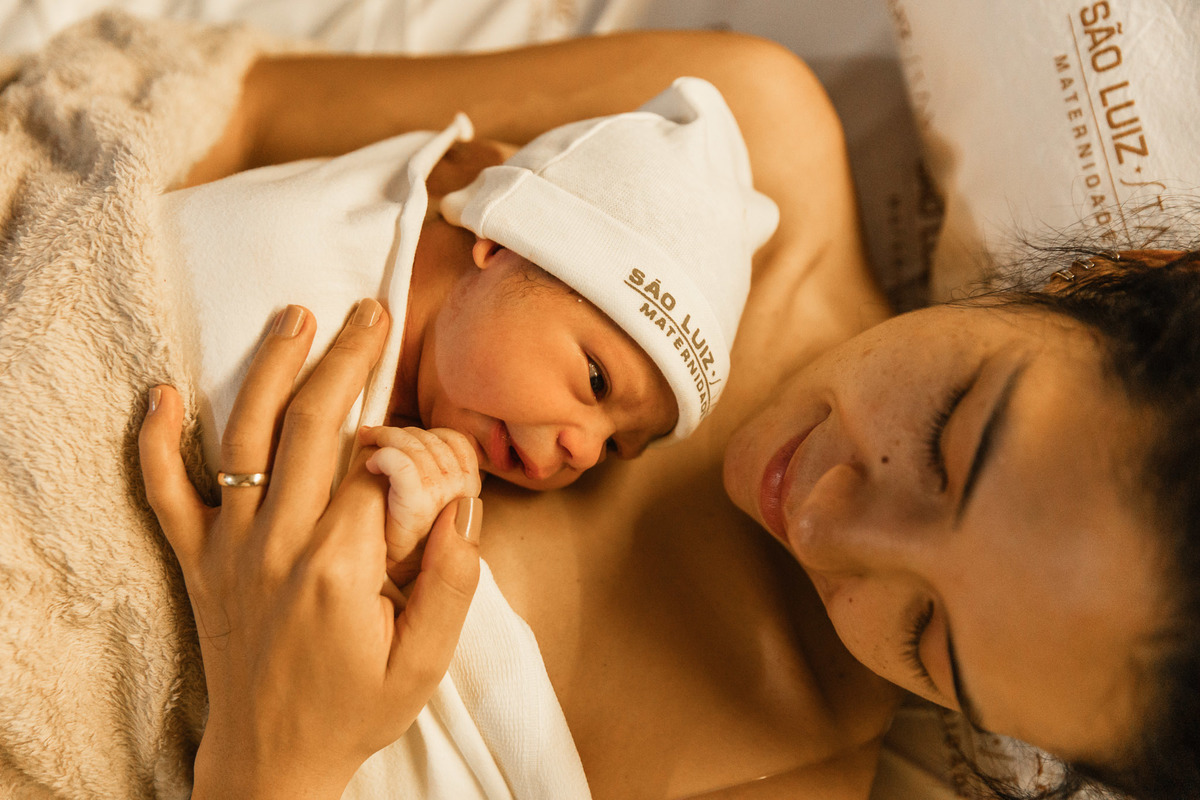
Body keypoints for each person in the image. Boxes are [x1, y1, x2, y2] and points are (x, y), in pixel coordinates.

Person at [136, 27, 1200, 800]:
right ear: (1100, 277)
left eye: (928, 639)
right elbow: (224, 118)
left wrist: (276, 759)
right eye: (945, 443)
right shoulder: (728, 146)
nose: (825, 522)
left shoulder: (777, 768)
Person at [161, 76, 777, 496]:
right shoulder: (299, 268)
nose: (586, 454)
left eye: (615, 447)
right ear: (499, 245)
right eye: (597, 380)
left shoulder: (420, 444)